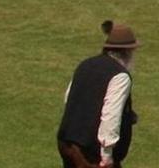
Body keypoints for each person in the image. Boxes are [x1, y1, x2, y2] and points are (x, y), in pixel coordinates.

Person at [58, 21, 140, 168]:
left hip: (67, 144)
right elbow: (110, 116)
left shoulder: (85, 64)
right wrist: (107, 157)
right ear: (127, 52)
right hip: (92, 155)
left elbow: (69, 99)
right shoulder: (120, 76)